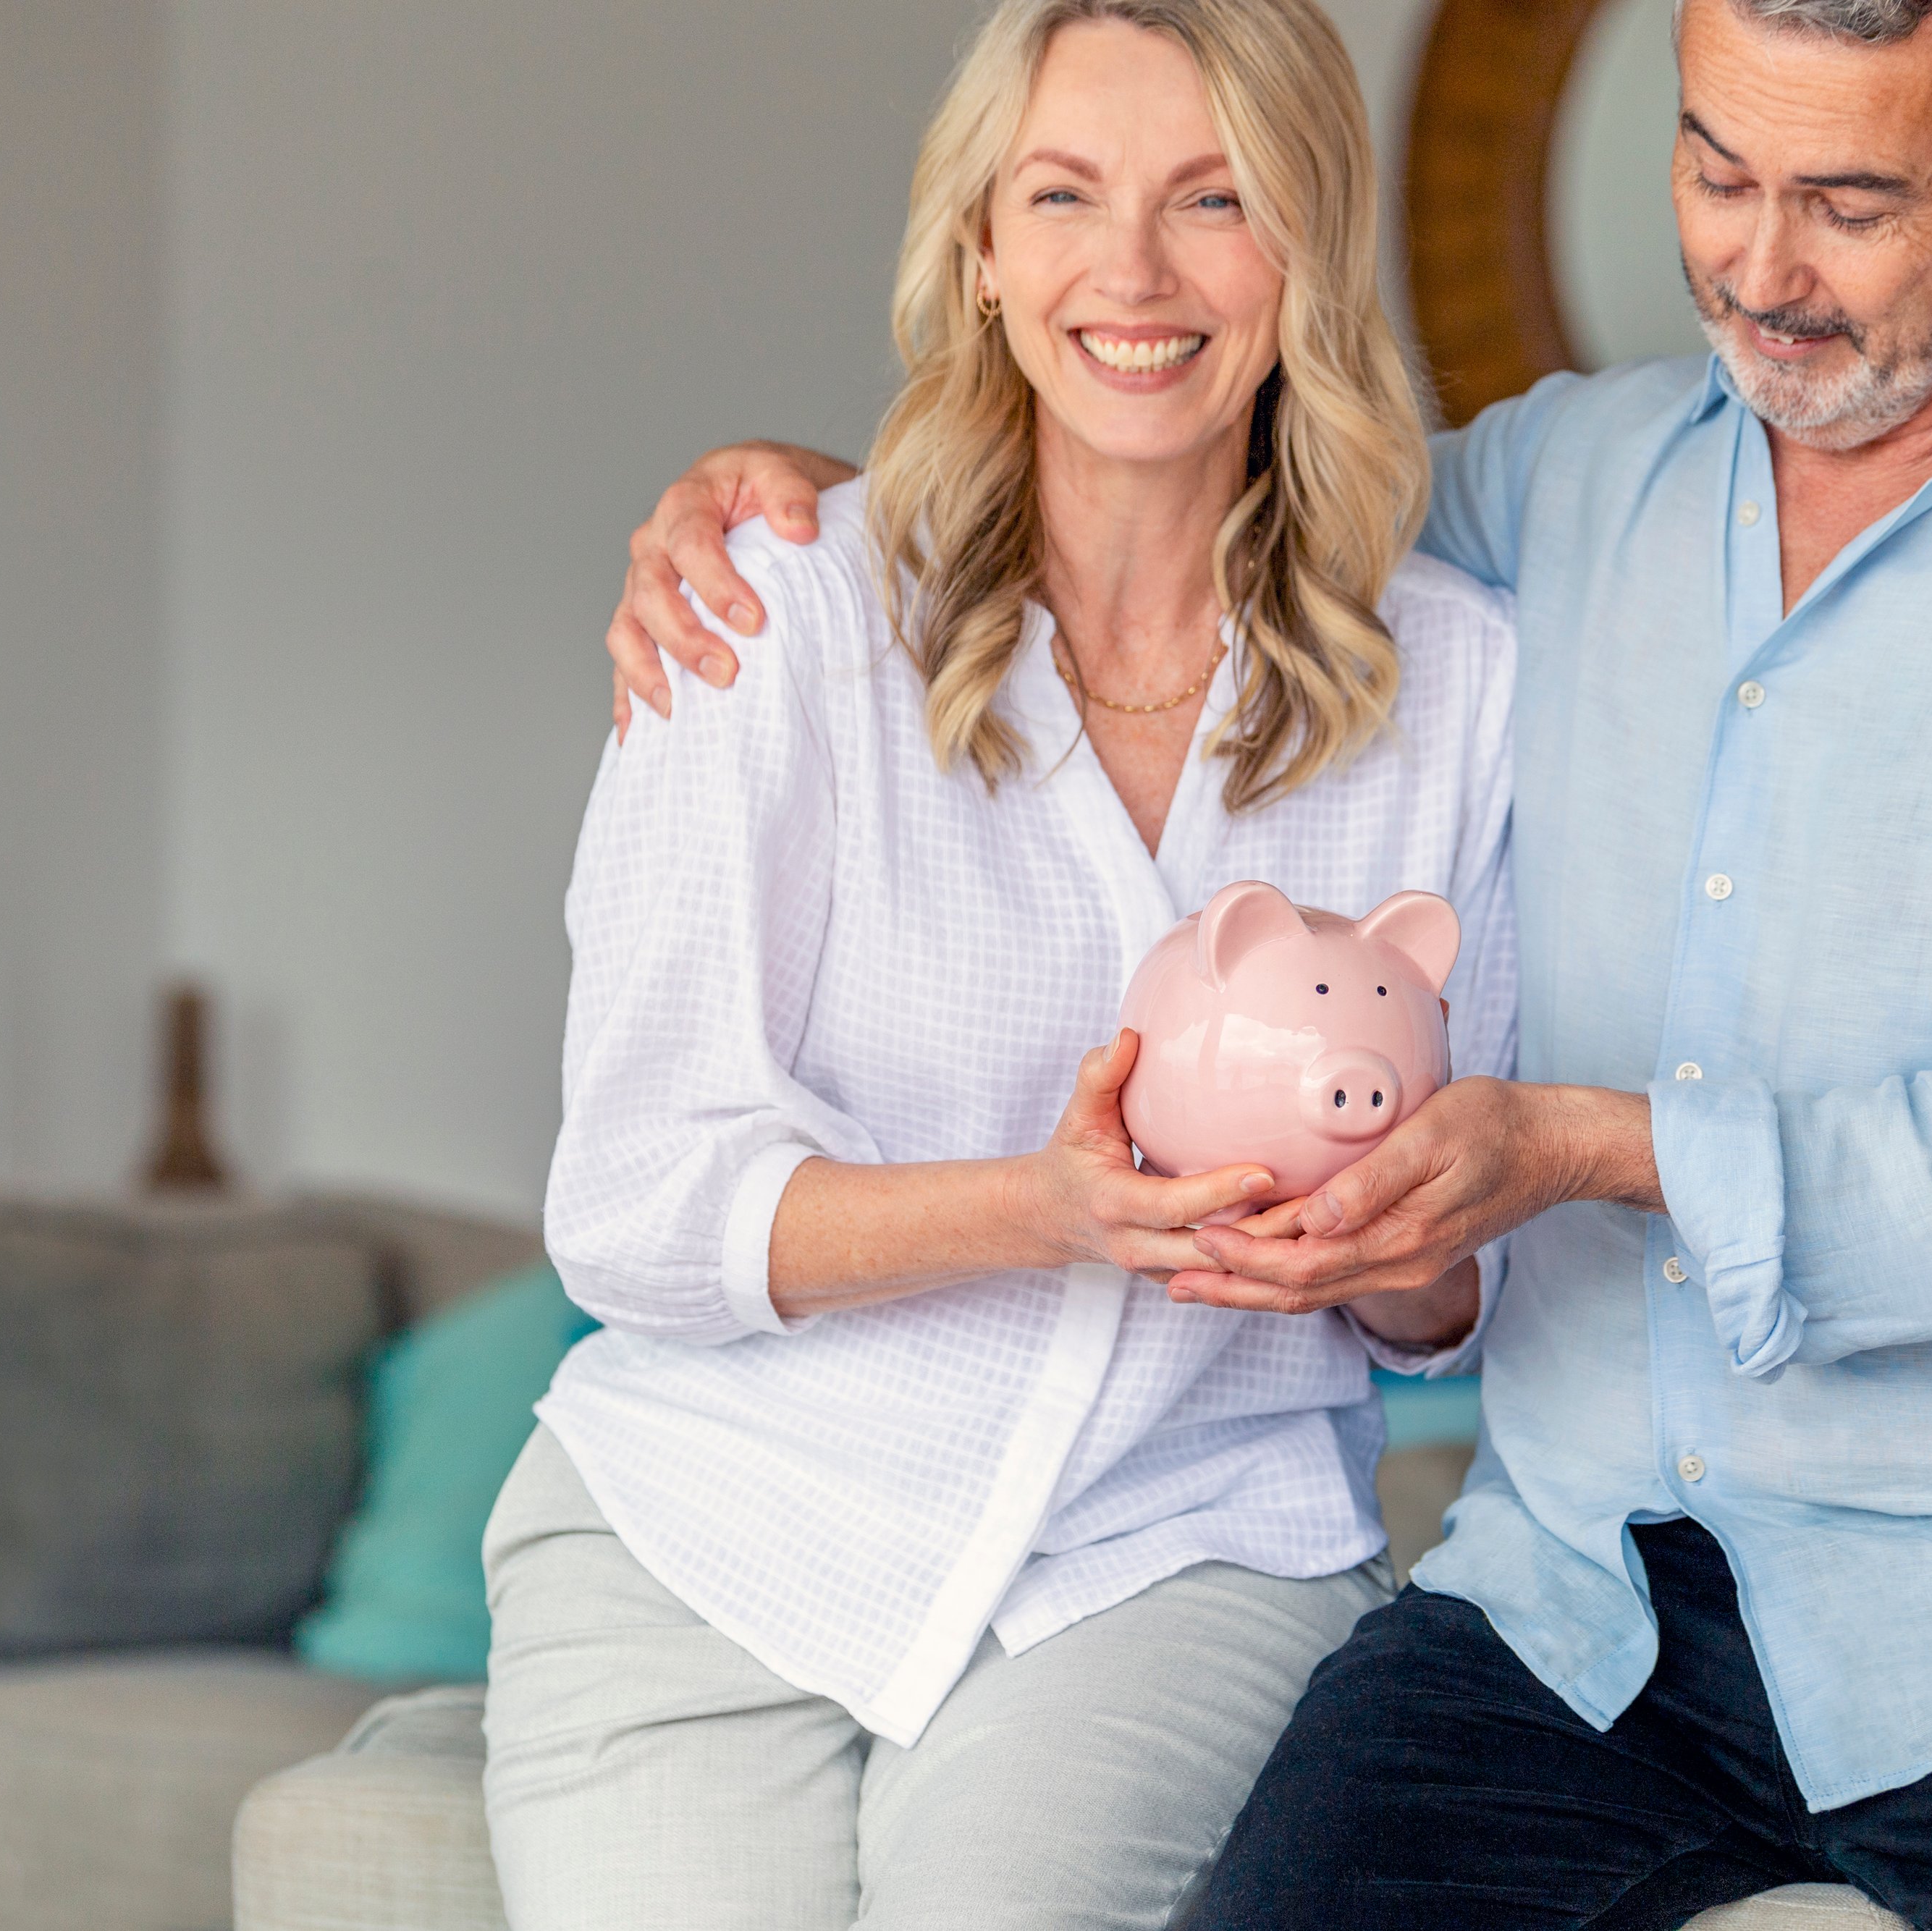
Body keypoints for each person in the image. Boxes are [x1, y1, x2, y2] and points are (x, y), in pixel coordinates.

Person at [602, 1, 1932, 1926]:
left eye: (1850, 202)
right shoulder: (1569, 481)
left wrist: (1588, 1145)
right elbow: (1188, 495)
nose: (1763, 266)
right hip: (1574, 1610)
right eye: (1716, 170)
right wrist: (824, 519)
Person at [492, 4, 1518, 1929]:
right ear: (981, 248)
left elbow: (1462, 1288)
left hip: (1176, 1548)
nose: (1133, 272)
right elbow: (632, 1210)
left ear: (1308, 240)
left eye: (1214, 198)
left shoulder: (1461, 685)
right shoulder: (769, 617)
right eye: (1065, 195)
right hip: (718, 1541)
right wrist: (1046, 1210)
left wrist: (1398, 1240)